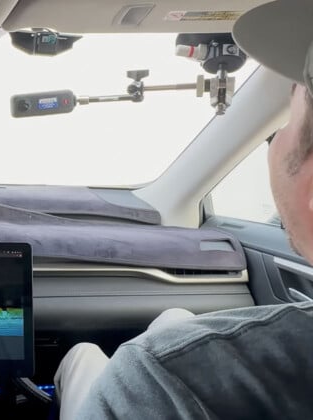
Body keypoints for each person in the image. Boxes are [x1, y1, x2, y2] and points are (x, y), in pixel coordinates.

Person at [54, 0, 313, 418]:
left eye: (289, 115)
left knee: (84, 355)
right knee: (175, 317)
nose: (277, 137)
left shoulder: (163, 382)